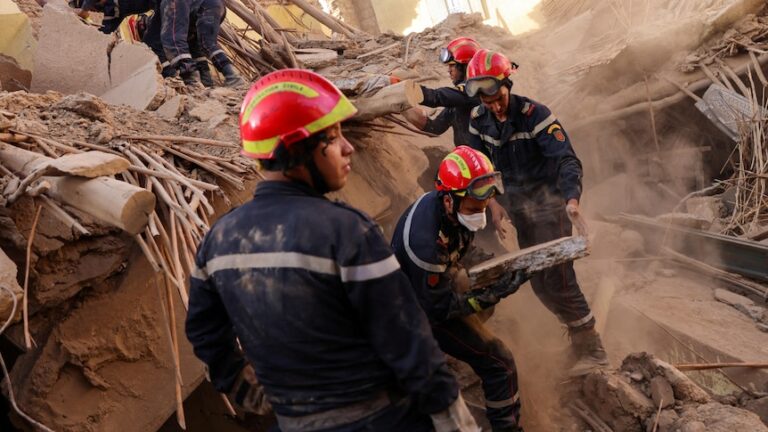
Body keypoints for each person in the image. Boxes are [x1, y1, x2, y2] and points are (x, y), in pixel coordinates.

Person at [185, 69, 478, 432]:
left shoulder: (217, 241)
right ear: (299, 148)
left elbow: (203, 332)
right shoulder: (346, 231)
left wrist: (246, 390)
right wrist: (453, 417)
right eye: (334, 136)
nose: (348, 147)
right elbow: (407, 339)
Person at [464, 49, 608, 374]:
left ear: (507, 85)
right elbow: (481, 167)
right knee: (539, 283)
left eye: (498, 98)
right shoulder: (478, 122)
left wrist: (572, 199)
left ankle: (594, 350)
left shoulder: (535, 114)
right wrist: (494, 202)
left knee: (558, 279)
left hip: (550, 206)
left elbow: (567, 159)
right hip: (519, 211)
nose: (494, 107)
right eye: (486, 102)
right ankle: (577, 341)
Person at [392, 146, 528, 432]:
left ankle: (455, 352)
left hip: (432, 292)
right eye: (474, 208)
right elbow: (439, 309)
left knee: (480, 295)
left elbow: (461, 246)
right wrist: (494, 292)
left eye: (484, 205)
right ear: (448, 200)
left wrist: (495, 266)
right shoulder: (425, 244)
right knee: (500, 361)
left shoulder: (452, 208)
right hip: (417, 314)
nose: (479, 213)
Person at [403, 37, 490, 147]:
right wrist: (404, 107)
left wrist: (405, 89)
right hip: (468, 160)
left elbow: (436, 97)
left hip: (485, 162)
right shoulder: (458, 102)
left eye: (452, 65)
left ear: (466, 66)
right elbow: (434, 128)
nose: (449, 70)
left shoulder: (474, 92)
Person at [159, 0, 242, 86]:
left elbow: (173, 37)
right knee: (208, 44)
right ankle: (231, 76)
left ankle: (192, 82)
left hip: (199, 8)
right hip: (216, 6)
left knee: (172, 38)